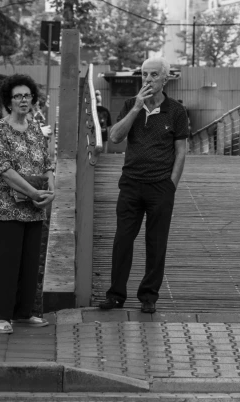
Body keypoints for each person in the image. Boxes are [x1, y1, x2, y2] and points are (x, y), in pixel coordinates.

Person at [98, 57, 188, 314]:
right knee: (123, 240)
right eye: (144, 75)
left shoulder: (176, 111)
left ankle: (148, 296)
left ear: (165, 79)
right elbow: (115, 137)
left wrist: (172, 185)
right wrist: (136, 108)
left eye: (153, 75)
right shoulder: (130, 105)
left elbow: (181, 151)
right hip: (131, 185)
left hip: (161, 186)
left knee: (156, 242)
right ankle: (115, 295)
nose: (147, 80)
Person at [0, 74, 55, 334]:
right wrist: (34, 193)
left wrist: (52, 191)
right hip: (7, 209)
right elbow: (3, 169)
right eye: (18, 96)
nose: (23, 100)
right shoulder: (0, 129)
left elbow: (48, 165)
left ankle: (23, 314)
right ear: (9, 100)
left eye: (27, 95)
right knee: (6, 263)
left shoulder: (36, 128)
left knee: (29, 264)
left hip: (34, 210)